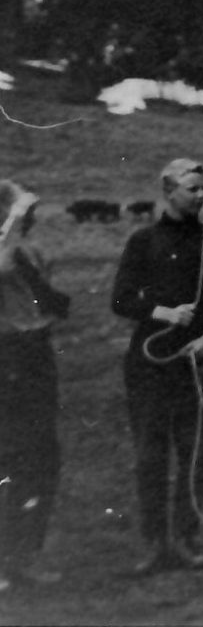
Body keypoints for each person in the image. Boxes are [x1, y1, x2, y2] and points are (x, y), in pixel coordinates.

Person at [111, 157, 203, 575]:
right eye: (193, 189)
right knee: (150, 454)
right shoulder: (142, 241)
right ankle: (155, 545)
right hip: (149, 365)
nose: (202, 195)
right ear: (169, 192)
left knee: (195, 453)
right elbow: (120, 299)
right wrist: (164, 312)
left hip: (197, 364)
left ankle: (185, 540)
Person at [0, 181, 69, 593]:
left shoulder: (29, 252)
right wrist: (10, 218)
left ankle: (22, 555)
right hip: (4, 356)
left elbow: (51, 302)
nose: (32, 217)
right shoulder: (6, 250)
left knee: (42, 457)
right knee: (9, 457)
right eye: (25, 211)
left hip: (34, 354)